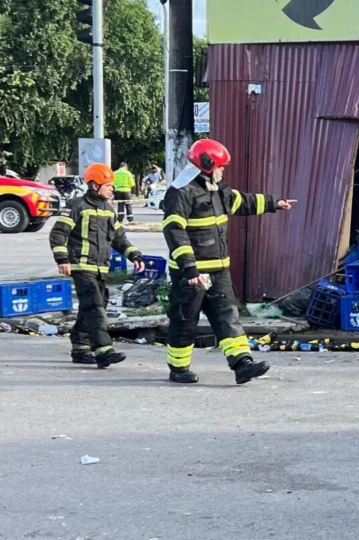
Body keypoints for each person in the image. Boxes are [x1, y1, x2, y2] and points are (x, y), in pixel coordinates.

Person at [162, 139, 296, 384]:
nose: (223, 171)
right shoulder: (181, 192)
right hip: (191, 273)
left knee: (228, 316)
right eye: (221, 166)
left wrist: (274, 203)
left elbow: (241, 201)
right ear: (207, 163)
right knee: (185, 321)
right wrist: (189, 268)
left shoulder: (217, 189)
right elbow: (174, 231)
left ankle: (242, 364)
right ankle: (179, 368)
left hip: (219, 269)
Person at [49, 163, 146, 367]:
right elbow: (58, 234)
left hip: (101, 269)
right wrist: (62, 260)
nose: (112, 189)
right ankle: (103, 350)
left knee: (91, 307)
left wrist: (135, 256)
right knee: (95, 307)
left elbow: (120, 239)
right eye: (108, 185)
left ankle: (80, 347)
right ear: (94, 186)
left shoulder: (108, 210)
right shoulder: (76, 206)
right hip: (81, 267)